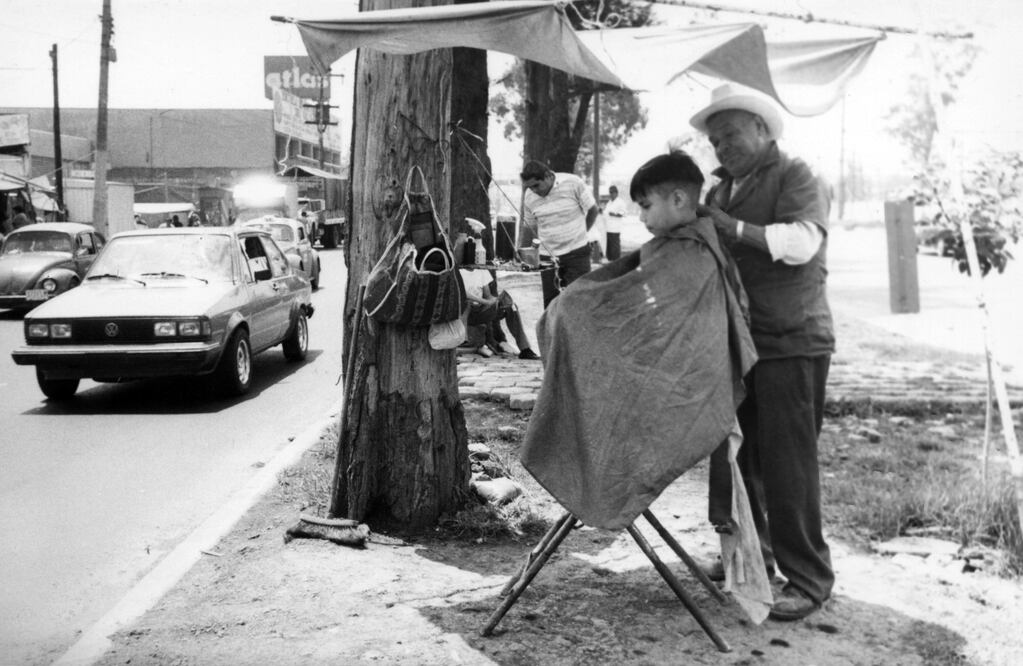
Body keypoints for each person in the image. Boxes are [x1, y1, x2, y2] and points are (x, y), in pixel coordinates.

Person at [690, 82, 835, 621]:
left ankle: (809, 579)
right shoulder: (721, 189)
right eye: (715, 140)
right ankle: (752, 559)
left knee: (788, 466)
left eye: (731, 134)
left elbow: (802, 244)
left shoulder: (797, 173)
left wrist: (732, 227)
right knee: (740, 457)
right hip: (741, 343)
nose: (722, 146)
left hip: (791, 340)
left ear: (761, 128)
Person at [519, 160, 599, 307]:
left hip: (577, 254)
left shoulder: (573, 183)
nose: (534, 190)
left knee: (578, 302)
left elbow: (593, 210)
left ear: (548, 176)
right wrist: (523, 254)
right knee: (551, 305)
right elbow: (529, 227)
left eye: (536, 185)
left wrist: (582, 233)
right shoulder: (529, 196)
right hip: (547, 258)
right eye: (530, 187)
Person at [459, 266, 540, 361]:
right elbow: (463, 293)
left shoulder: (481, 270)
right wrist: (484, 301)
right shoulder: (458, 270)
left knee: (511, 306)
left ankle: (525, 349)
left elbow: (488, 295)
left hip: (480, 310)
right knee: (467, 303)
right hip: (464, 312)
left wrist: (495, 300)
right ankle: (463, 339)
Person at [602, 185, 627, 261]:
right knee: (609, 247)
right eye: (610, 192)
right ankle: (610, 261)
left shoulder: (620, 202)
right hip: (607, 228)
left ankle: (616, 262)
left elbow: (623, 213)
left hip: (615, 229)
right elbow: (605, 212)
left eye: (612, 192)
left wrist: (614, 214)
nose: (611, 194)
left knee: (615, 248)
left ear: (616, 193)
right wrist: (601, 211)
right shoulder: (609, 202)